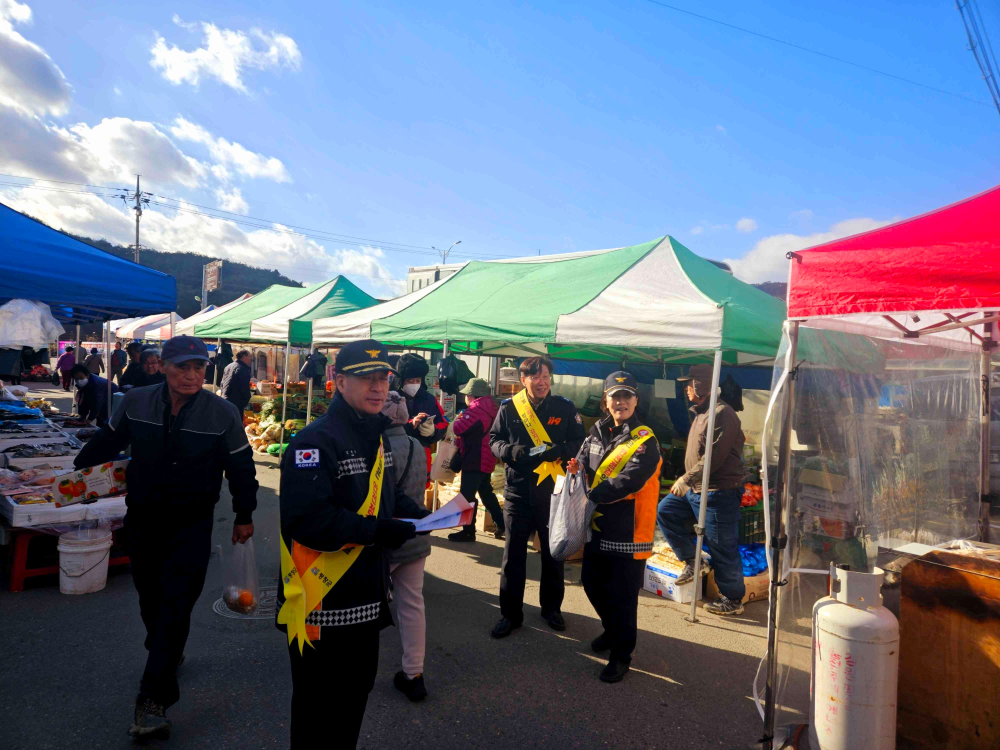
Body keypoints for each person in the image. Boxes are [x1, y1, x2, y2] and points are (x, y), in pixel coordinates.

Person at [74, 335, 258, 739]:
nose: (192, 375)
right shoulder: (136, 401)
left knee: (176, 604)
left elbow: (243, 468)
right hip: (142, 518)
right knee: (150, 599)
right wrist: (71, 474)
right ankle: (166, 650)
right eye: (183, 367)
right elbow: (110, 441)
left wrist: (245, 514)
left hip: (192, 523)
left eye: (199, 368)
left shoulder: (223, 413)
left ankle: (152, 701)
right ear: (164, 366)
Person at [277, 339, 431, 749]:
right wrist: (379, 530)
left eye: (383, 378)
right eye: (367, 378)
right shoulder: (314, 441)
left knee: (350, 709)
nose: (378, 387)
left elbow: (379, 495)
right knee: (317, 717)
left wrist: (413, 511)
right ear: (338, 381)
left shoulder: (374, 435)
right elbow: (308, 521)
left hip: (365, 602)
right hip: (319, 608)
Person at [567, 372, 661, 683]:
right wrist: (574, 469)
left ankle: (622, 654)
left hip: (628, 529)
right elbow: (582, 462)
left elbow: (631, 479)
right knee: (592, 583)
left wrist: (592, 493)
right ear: (606, 400)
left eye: (627, 396)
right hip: (597, 525)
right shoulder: (595, 432)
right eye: (615, 396)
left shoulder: (645, 439)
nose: (621, 401)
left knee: (623, 596)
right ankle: (612, 629)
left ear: (636, 400)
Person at [488, 356, 586, 638]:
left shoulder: (564, 408)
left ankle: (552, 609)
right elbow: (494, 439)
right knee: (512, 556)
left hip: (553, 493)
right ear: (524, 380)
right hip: (517, 491)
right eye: (534, 377)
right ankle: (510, 614)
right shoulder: (509, 408)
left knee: (553, 552)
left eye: (545, 376)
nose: (541, 382)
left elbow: (580, 441)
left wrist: (558, 450)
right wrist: (509, 452)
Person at [656, 363, 747, 616]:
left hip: (718, 491)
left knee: (722, 544)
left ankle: (732, 598)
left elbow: (713, 457)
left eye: (690, 384)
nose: (686, 389)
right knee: (666, 511)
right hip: (697, 488)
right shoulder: (701, 412)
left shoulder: (723, 413)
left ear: (701, 385)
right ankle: (695, 560)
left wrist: (685, 478)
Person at [381, 391, 432, 702]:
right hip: (416, 535)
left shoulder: (376, 446)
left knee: (369, 605)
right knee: (412, 606)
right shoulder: (416, 444)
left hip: (385, 537)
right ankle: (413, 673)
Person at [448, 377, 504, 542]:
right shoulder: (492, 408)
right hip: (486, 457)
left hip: (475, 458)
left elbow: (458, 429)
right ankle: (501, 524)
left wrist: (458, 419)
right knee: (486, 492)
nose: (465, 397)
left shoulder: (476, 410)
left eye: (466, 394)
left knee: (466, 496)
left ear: (472, 395)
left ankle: (468, 531)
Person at [395, 352, 449, 449]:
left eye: (418, 380)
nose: (414, 384)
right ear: (401, 380)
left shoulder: (429, 399)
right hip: (396, 453)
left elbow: (443, 424)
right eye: (410, 381)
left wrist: (433, 431)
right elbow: (385, 428)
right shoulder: (391, 398)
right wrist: (411, 425)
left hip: (422, 456)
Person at [220, 349, 252, 416]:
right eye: (249, 356)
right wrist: (246, 400)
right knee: (235, 424)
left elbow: (222, 383)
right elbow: (244, 387)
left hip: (225, 399)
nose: (250, 359)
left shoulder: (228, 366)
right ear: (243, 357)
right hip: (236, 403)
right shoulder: (242, 368)